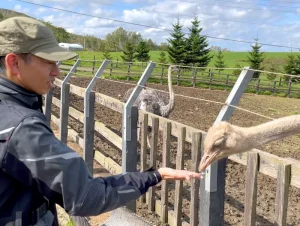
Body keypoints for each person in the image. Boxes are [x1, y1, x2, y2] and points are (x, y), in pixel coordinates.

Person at [0, 17, 202, 226]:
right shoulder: (21, 127)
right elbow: (87, 196)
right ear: (14, 63)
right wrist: (155, 175)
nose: (57, 71)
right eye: (49, 61)